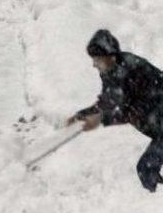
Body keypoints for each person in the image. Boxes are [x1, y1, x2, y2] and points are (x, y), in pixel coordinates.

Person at [67, 30, 163, 192]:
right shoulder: (111, 70)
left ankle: (153, 207)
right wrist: (83, 114)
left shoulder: (131, 69)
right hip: (157, 125)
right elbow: (109, 102)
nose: (94, 64)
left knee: (146, 169)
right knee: (147, 168)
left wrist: (98, 120)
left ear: (109, 56)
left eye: (97, 59)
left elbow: (123, 109)